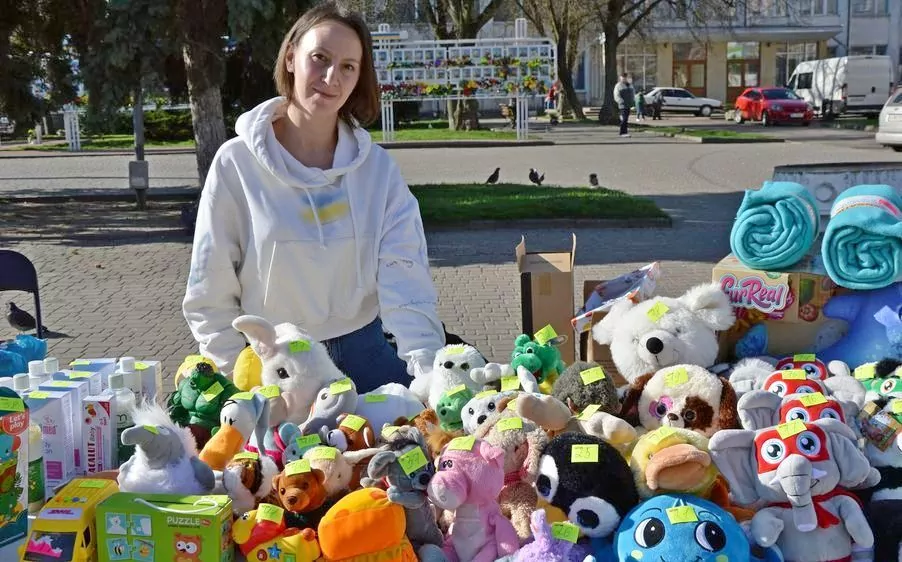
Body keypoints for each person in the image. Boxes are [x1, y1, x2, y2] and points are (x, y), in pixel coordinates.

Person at [182, 2, 445, 393]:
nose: (331, 77)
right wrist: (237, 377)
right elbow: (210, 289)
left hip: (366, 356)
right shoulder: (236, 163)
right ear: (291, 58)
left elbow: (407, 281)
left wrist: (430, 376)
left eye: (348, 66)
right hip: (278, 366)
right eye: (319, 58)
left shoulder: (376, 170)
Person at [613, 73, 635, 137]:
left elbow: (633, 94)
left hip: (628, 104)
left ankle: (624, 132)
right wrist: (620, 101)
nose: (624, 79)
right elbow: (616, 95)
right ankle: (623, 132)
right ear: (621, 78)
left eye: (625, 77)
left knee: (626, 118)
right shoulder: (618, 85)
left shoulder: (630, 85)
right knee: (624, 118)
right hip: (622, 105)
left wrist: (633, 101)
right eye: (623, 78)